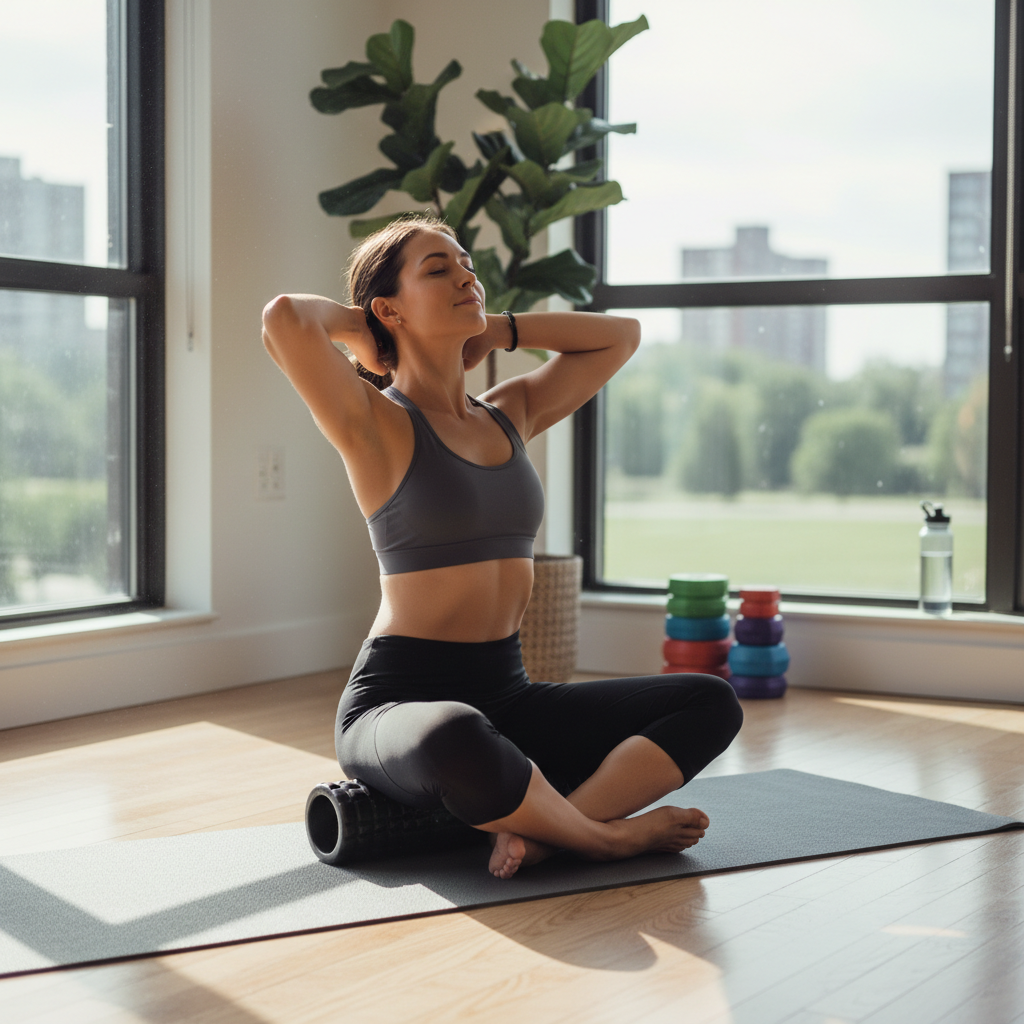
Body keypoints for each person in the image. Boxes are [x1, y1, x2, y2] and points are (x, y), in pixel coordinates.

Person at [262, 215, 742, 879]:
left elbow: (620, 337)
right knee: (455, 734)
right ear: (389, 308)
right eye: (438, 269)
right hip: (399, 702)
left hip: (509, 696)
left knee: (709, 701)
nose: (465, 274)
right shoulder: (374, 422)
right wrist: (364, 332)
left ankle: (548, 834)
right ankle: (606, 839)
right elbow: (285, 318)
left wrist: (505, 329)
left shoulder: (507, 413)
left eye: (466, 264)